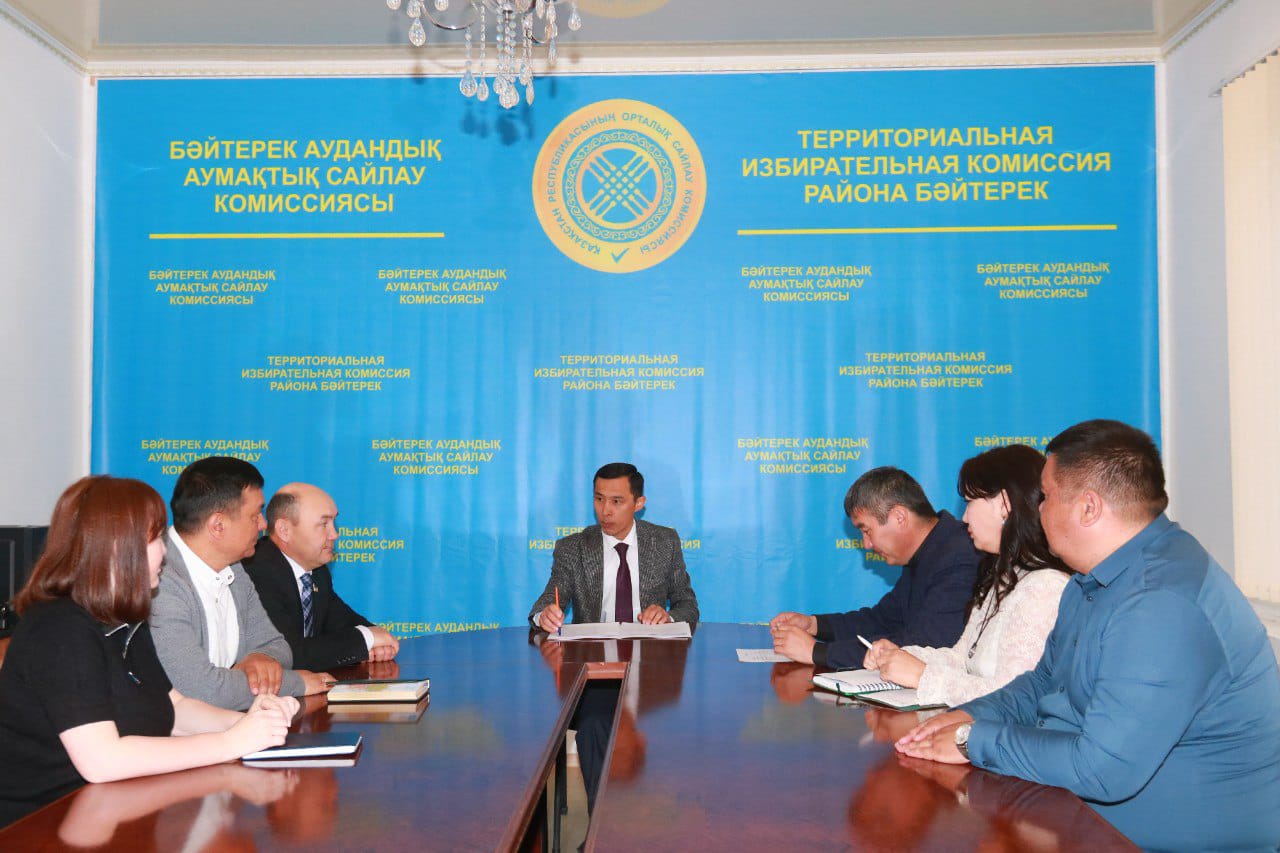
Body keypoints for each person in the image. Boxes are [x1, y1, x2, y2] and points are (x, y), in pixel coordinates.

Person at [897, 420, 1280, 851]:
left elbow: (1102, 770)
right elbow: (1043, 682)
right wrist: (970, 715)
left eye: (1046, 497)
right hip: (1080, 816)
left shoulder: (1162, 602)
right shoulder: (1090, 579)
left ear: (1088, 508)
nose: (1037, 509)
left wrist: (974, 741)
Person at [0, 476, 298, 828]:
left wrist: (249, 722)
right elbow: (101, 761)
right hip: (40, 825)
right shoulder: (59, 628)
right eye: (156, 538)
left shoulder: (126, 620)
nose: (166, 552)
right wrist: (230, 742)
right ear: (119, 547)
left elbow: (176, 709)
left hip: (109, 811)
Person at [862, 445, 1070, 706]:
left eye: (970, 501)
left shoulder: (1045, 587)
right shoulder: (1003, 577)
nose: (964, 518)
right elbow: (961, 658)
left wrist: (922, 676)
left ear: (1004, 504)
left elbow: (1014, 698)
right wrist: (901, 655)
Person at [149, 457, 331, 710]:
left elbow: (277, 646)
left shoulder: (234, 567)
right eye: (255, 515)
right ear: (218, 525)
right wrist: (296, 683)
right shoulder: (160, 582)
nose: (264, 524)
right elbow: (201, 690)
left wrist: (260, 658)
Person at [771, 467, 980, 668]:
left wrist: (817, 652)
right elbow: (882, 621)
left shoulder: (959, 557)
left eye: (866, 530)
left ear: (899, 517)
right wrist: (814, 625)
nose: (866, 544)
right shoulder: (930, 550)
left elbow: (925, 645)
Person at [244, 483, 399, 671]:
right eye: (324, 524)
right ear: (284, 530)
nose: (335, 534)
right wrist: (367, 638)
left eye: (334, 522)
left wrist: (377, 640)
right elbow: (288, 653)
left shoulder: (317, 571)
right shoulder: (255, 572)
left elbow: (341, 620)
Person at [528, 462, 699, 630]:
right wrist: (544, 616)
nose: (605, 511)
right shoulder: (573, 548)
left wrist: (668, 618)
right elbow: (548, 601)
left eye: (616, 501)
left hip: (648, 646)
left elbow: (687, 604)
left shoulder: (665, 542)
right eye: (599, 499)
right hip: (592, 647)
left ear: (638, 503)